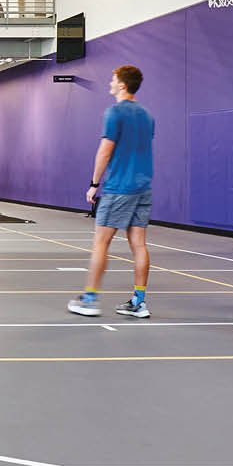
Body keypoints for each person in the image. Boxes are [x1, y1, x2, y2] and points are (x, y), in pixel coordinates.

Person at [68, 65, 155, 319]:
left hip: (119, 188)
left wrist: (94, 183)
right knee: (139, 245)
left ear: (122, 85)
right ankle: (138, 302)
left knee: (101, 243)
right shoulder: (147, 116)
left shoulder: (114, 113)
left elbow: (105, 151)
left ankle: (89, 300)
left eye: (113, 79)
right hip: (143, 188)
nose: (110, 83)